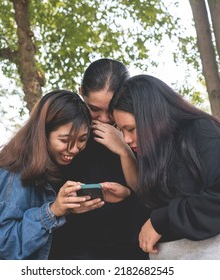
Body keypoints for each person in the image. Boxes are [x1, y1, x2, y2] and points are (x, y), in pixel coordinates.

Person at [110, 74, 220, 260]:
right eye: (121, 130)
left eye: (131, 129)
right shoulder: (154, 150)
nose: (126, 139)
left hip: (218, 254)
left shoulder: (202, 132)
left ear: (152, 116)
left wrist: (162, 221)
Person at [0, 90, 94, 260]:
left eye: (82, 140)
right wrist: (53, 211)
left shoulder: (59, 168)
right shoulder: (14, 176)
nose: (74, 149)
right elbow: (8, 244)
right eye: (64, 140)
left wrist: (67, 209)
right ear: (43, 134)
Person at [49, 59, 148, 259]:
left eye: (111, 110)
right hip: (73, 250)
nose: (104, 119)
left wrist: (124, 149)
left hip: (128, 249)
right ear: (81, 93)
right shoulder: (67, 133)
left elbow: (146, 193)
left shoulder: (138, 133)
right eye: (94, 109)